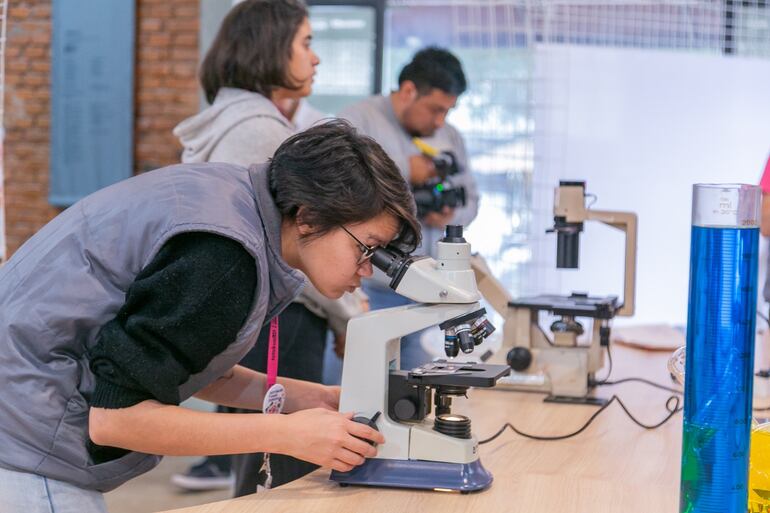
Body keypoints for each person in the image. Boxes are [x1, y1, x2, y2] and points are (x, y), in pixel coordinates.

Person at [0, 120, 419, 513]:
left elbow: (187, 367)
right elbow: (116, 419)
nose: (367, 270)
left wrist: (315, 399)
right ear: (308, 217)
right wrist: (288, 435)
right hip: (26, 436)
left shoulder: (237, 203)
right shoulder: (224, 257)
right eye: (367, 247)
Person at [172, 0, 365, 494]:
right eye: (306, 43)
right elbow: (301, 244)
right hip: (286, 314)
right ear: (270, 47)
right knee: (284, 469)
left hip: (267, 312)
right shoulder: (260, 131)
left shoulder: (231, 119)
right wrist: (348, 312)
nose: (315, 58)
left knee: (264, 459)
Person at [339, 47, 479, 370]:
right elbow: (340, 194)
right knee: (361, 386)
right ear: (408, 91)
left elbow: (471, 201)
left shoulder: (451, 137)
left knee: (417, 389)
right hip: (372, 290)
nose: (440, 121)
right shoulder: (358, 121)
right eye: (434, 109)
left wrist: (450, 216)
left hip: (432, 293)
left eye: (448, 111)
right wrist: (405, 168)